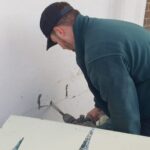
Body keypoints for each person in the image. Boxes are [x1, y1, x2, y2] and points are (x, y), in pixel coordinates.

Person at [40, 2, 150, 136]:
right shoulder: (96, 31)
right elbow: (119, 85)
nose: (62, 47)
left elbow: (125, 114)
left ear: (60, 32)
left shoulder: (99, 53)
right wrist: (99, 108)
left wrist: (125, 143)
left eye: (57, 42)